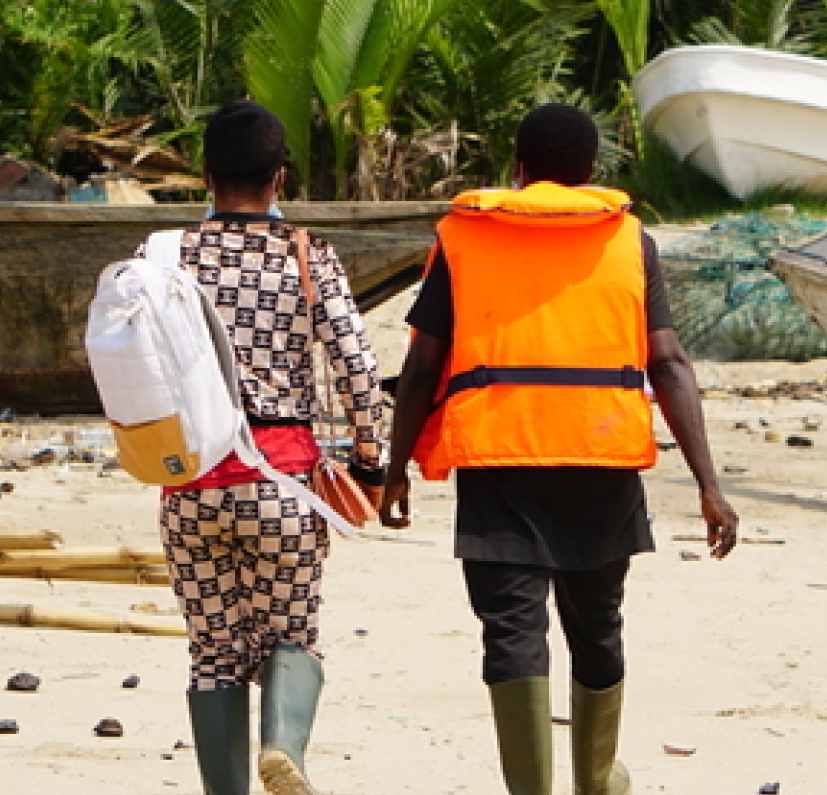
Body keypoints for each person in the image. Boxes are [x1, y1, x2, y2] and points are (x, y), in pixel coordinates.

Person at [379, 102, 740, 795]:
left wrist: (396, 472)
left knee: (511, 633)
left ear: (517, 170)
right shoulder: (630, 241)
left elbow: (423, 366)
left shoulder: (464, 237)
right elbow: (668, 365)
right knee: (596, 626)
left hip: (498, 455)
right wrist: (708, 484)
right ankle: (598, 778)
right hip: (597, 453)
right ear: (592, 173)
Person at [159, 101, 393, 795]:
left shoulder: (168, 256)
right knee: (292, 633)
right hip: (282, 483)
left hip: (189, 485)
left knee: (213, 654)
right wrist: (371, 465)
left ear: (205, 175)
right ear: (280, 178)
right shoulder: (306, 255)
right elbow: (357, 370)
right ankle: (282, 744)